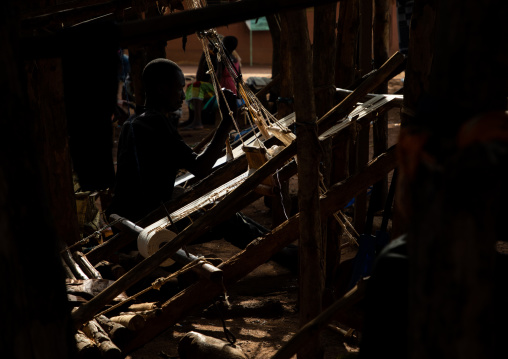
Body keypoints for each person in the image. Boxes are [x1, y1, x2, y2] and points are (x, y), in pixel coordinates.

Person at [106, 58, 236, 223]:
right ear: (161, 89)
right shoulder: (155, 124)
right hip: (148, 220)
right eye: (179, 88)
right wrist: (226, 123)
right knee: (229, 220)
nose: (183, 95)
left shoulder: (133, 122)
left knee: (223, 214)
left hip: (130, 214)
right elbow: (200, 167)